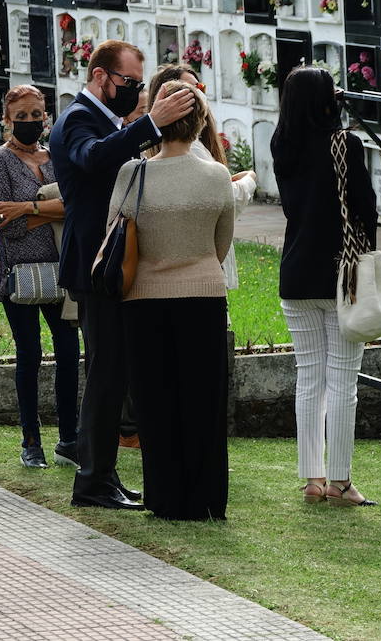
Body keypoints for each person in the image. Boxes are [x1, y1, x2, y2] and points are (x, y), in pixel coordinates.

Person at [49, 40, 195, 510]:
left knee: (113, 375)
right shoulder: (77, 119)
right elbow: (92, 158)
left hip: (112, 262)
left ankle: (103, 476)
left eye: (138, 85)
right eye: (129, 83)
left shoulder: (106, 119)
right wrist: (152, 124)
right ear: (99, 78)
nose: (134, 92)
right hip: (95, 264)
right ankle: (91, 482)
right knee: (106, 376)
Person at [113, 81, 234, 520]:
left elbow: (118, 236)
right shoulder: (217, 176)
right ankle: (206, 498)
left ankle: (164, 497)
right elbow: (222, 241)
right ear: (201, 123)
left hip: (144, 297)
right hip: (203, 293)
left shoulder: (133, 174)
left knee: (154, 398)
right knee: (204, 400)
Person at [271, 66, 378, 507]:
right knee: (343, 383)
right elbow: (365, 210)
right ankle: (341, 480)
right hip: (341, 274)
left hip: (296, 271)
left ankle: (312, 478)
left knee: (308, 379)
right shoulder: (345, 144)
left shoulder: (282, 144)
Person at [0, 85, 79, 469]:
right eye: (21, 116)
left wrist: (26, 206)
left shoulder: (57, 156)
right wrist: (50, 210)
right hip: (19, 273)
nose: (30, 122)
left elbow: (77, 205)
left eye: (36, 114)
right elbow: (0, 221)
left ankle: (69, 439)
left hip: (62, 270)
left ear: (46, 115)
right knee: (29, 356)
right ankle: (30, 441)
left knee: (69, 354)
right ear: (7, 119)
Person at [147, 64, 257, 288]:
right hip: (201, 266)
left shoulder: (162, 147)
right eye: (189, 90)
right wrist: (249, 181)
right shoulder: (192, 149)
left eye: (199, 88)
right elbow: (226, 201)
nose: (197, 95)